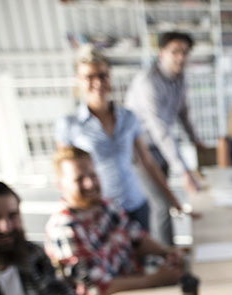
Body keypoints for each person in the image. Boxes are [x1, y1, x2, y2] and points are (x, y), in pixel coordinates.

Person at [56, 45, 185, 231]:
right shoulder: (69, 124)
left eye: (102, 75)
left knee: (144, 256)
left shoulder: (129, 117)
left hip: (135, 203)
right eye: (89, 77)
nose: (98, 82)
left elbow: (147, 162)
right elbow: (64, 174)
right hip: (99, 209)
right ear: (78, 80)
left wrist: (172, 199)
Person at [45, 146, 186, 295]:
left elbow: (137, 237)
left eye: (93, 175)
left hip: (137, 293)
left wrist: (167, 252)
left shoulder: (106, 205)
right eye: (79, 179)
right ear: (60, 185)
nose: (90, 184)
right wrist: (156, 279)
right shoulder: (64, 229)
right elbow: (98, 289)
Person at [126, 31, 208, 246]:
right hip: (141, 150)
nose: (180, 57)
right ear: (161, 53)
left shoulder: (180, 79)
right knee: (162, 204)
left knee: (165, 204)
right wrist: (184, 169)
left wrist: (196, 140)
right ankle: (166, 259)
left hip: (161, 148)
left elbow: (183, 113)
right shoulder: (148, 82)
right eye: (175, 52)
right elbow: (159, 129)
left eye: (185, 52)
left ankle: (168, 252)